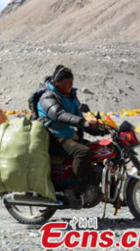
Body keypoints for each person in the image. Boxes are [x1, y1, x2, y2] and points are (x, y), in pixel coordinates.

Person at [37, 65, 103, 208]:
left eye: (71, 81)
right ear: (57, 82)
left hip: (68, 135)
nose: (69, 84)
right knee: (83, 152)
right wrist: (83, 122)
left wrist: (99, 130)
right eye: (65, 81)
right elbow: (59, 115)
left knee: (99, 148)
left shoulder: (71, 97)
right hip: (53, 137)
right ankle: (74, 190)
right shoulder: (47, 96)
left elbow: (80, 120)